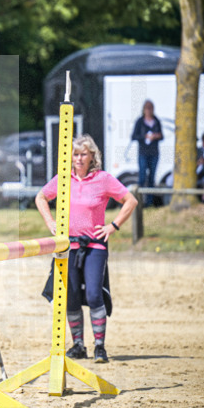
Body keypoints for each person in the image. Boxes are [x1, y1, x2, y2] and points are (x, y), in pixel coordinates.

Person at [36, 134, 137, 364]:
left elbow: (130, 200)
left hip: (94, 245)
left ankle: (100, 346)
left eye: (84, 154)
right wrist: (50, 222)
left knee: (93, 294)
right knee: (70, 295)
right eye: (75, 154)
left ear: (92, 156)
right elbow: (41, 197)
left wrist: (113, 226)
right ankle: (78, 345)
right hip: (68, 245)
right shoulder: (63, 179)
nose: (79, 158)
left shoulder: (103, 179)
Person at [130, 100, 163, 206]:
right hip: (143, 153)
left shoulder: (156, 121)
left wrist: (156, 136)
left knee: (151, 178)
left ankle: (149, 203)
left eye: (151, 108)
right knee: (142, 177)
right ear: (144, 109)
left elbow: (162, 136)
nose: (149, 110)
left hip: (154, 153)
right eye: (147, 108)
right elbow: (133, 136)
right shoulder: (140, 121)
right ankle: (138, 202)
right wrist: (144, 136)